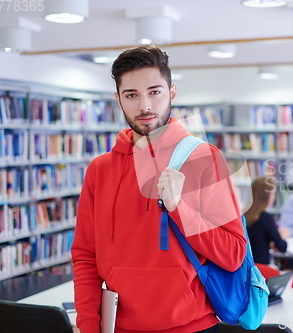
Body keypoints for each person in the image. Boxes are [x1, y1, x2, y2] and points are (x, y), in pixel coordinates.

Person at [71, 45, 246, 333]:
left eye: (154, 92)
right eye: (132, 95)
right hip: (118, 327)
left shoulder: (203, 158)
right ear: (118, 99)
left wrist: (180, 208)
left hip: (192, 327)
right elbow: (85, 257)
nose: (145, 106)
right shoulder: (100, 169)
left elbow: (233, 254)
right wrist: (90, 325)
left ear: (172, 92)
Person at [245, 177, 287, 265]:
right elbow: (282, 247)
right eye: (273, 194)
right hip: (262, 268)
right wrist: (283, 236)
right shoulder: (265, 217)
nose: (274, 197)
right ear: (265, 195)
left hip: (246, 266)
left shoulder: (243, 215)